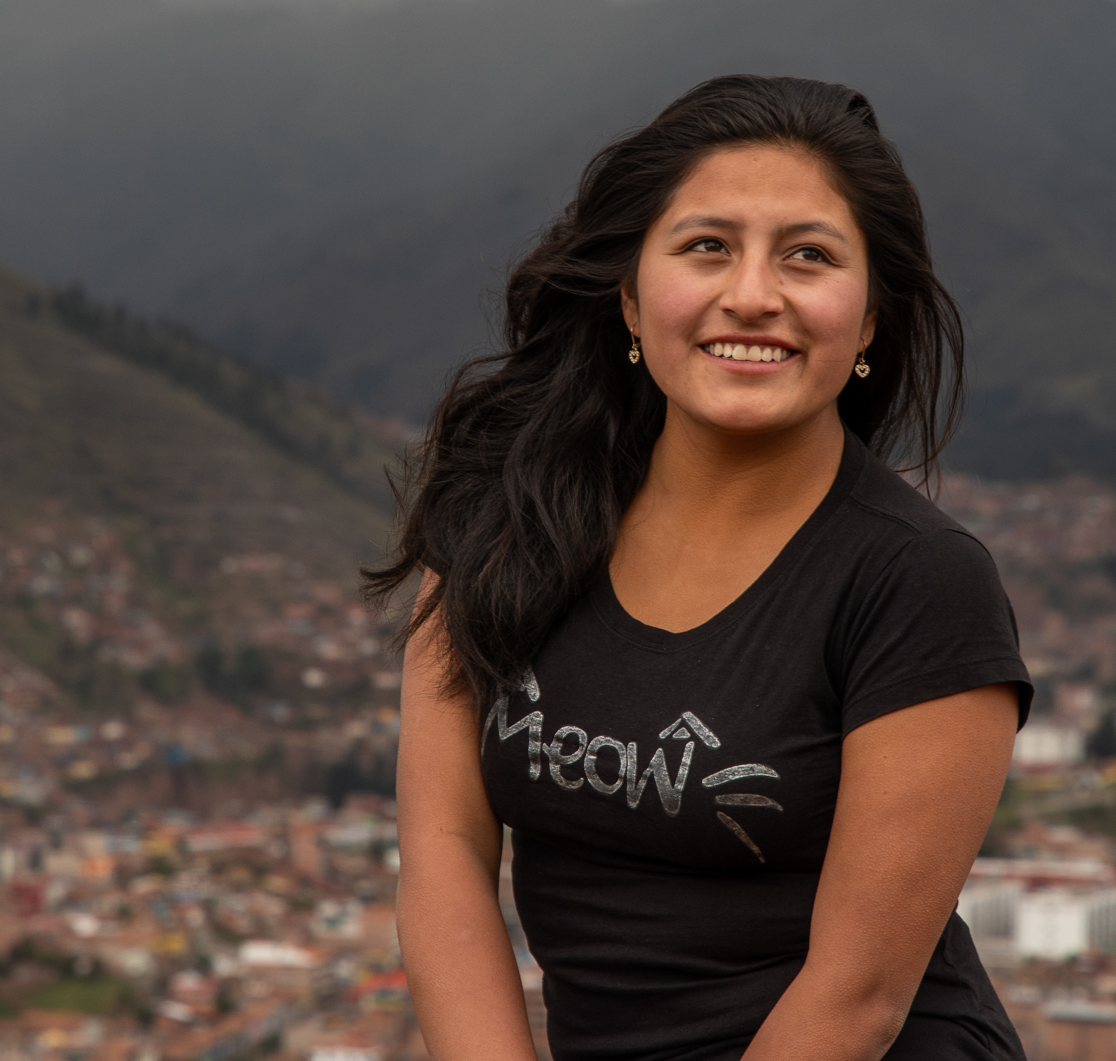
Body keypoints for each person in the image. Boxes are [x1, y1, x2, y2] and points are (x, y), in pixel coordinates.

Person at [370, 74, 1032, 1060]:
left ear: (868, 321)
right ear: (631, 300)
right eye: (706, 246)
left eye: (807, 256)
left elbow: (858, 997)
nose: (752, 295)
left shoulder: (914, 581)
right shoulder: (499, 521)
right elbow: (444, 858)